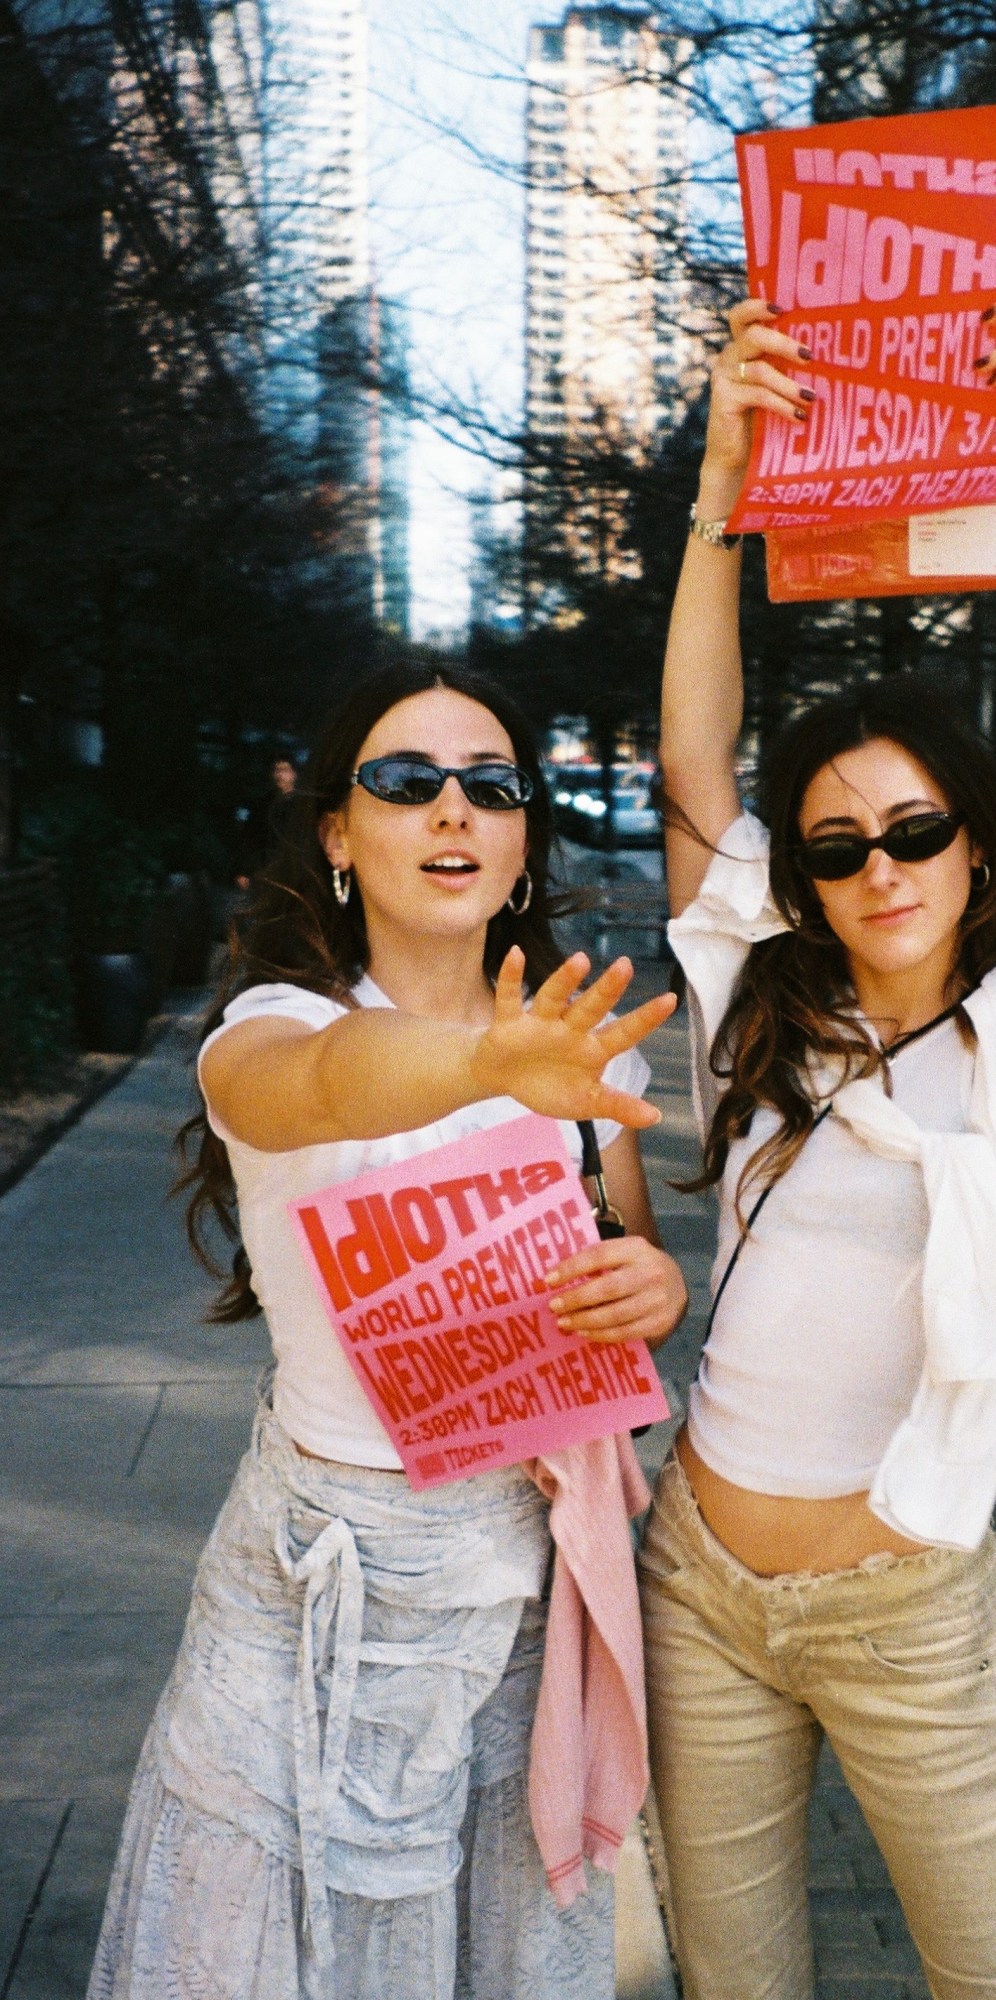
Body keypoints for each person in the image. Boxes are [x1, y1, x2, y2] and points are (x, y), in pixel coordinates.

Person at [642, 249, 996, 2000]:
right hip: (699, 1584)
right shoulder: (760, 1015)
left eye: (912, 831)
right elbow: (692, 764)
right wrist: (720, 496)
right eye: (833, 846)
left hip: (906, 1613)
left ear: (976, 844)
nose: (876, 867)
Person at [89, 662, 687, 2000]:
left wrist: (655, 1290)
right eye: (406, 783)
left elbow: (626, 1267)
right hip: (319, 1591)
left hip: (526, 1597)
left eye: (491, 784)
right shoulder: (270, 1028)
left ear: (527, 833)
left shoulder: (585, 1057)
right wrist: (478, 1064)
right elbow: (323, 1086)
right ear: (339, 835)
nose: (453, 811)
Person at [235, 753, 300, 888]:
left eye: (285, 770)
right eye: (277, 770)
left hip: (294, 868)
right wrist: (245, 870)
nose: (280, 774)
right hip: (267, 868)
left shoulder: (303, 805)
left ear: (294, 774)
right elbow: (253, 837)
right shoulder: (265, 804)